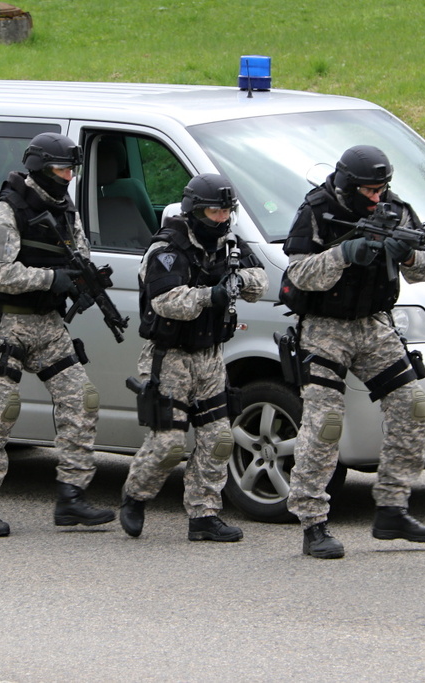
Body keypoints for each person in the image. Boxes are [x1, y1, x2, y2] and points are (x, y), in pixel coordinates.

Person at [280, 145, 425, 558]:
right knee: (326, 422)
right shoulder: (317, 208)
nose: (377, 197)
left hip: (374, 325)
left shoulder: (395, 208)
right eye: (369, 190)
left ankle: (392, 506)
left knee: (413, 407)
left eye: (382, 188)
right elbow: (298, 273)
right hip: (325, 328)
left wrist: (403, 253)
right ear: (350, 185)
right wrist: (343, 254)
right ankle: (312, 521)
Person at [0, 132, 114, 536]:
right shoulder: (6, 210)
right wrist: (52, 279)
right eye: (62, 169)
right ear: (40, 168)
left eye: (71, 170)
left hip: (48, 326)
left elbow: (78, 254)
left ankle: (72, 497)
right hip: (9, 322)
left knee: (82, 400)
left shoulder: (65, 209)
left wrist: (85, 281)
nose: (68, 177)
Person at [120, 173, 267, 541]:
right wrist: (209, 296)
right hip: (170, 357)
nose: (221, 219)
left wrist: (240, 284)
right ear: (195, 210)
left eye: (226, 212)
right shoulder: (167, 249)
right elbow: (166, 302)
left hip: (210, 356)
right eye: (215, 212)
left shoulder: (229, 244)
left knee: (219, 438)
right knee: (168, 445)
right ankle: (135, 496)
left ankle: (203, 515)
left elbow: (261, 279)